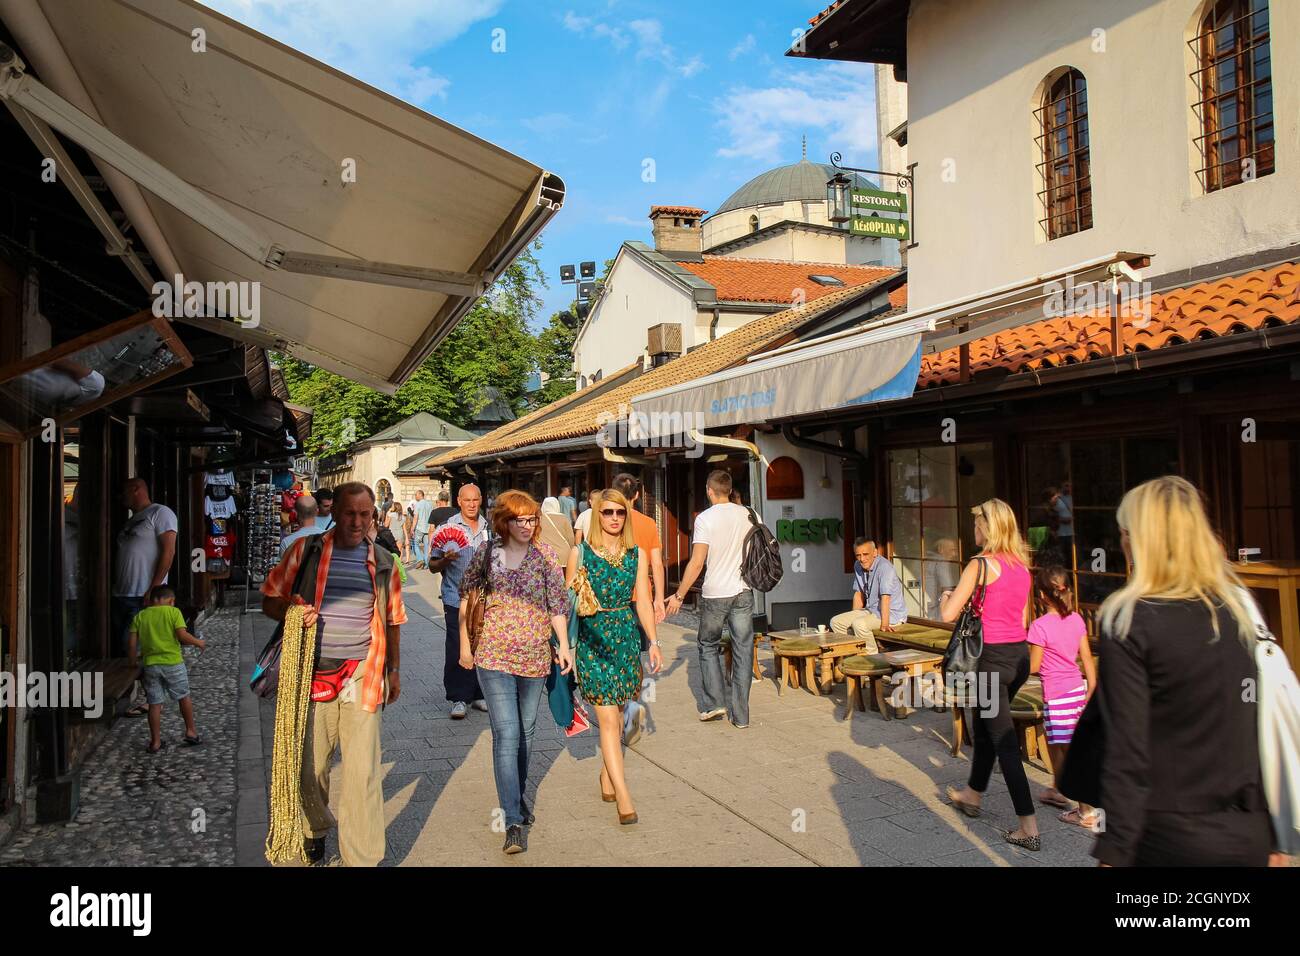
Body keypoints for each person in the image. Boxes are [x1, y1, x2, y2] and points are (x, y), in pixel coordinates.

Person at [1093, 476, 1278, 867]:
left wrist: (1115, 848)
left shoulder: (1129, 619)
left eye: (1125, 532)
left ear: (1141, 540)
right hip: (1245, 834)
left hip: (1169, 835)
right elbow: (1252, 727)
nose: (1122, 542)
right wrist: (1271, 832)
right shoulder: (1235, 611)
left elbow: (1128, 749)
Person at [261, 481, 406, 867]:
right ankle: (315, 829)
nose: (357, 522)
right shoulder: (305, 551)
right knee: (313, 766)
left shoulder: (383, 562)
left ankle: (362, 858)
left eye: (365, 514)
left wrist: (394, 669)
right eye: (349, 513)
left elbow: (393, 620)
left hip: (363, 672)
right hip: (310, 674)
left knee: (363, 774)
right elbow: (269, 599)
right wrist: (291, 610)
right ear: (334, 513)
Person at [458, 491, 572, 854]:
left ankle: (518, 796)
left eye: (531, 519)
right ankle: (511, 819)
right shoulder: (487, 554)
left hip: (535, 657)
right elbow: (467, 597)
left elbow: (557, 605)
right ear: (503, 521)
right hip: (493, 656)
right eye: (518, 519)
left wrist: (565, 646)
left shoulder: (546, 556)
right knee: (506, 734)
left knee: (527, 731)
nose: (526, 526)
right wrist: (464, 646)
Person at [941, 498, 1039, 850]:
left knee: (1004, 742)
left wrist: (946, 597)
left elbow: (949, 615)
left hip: (991, 662)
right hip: (1019, 658)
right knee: (984, 727)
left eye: (977, 523)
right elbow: (1024, 618)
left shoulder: (979, 565)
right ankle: (972, 794)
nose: (974, 529)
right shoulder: (1021, 566)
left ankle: (1028, 827)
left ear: (988, 527)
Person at [566, 489, 662, 824]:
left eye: (620, 512)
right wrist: (563, 647)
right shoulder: (580, 552)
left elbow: (645, 602)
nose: (614, 518)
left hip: (624, 636)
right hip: (593, 640)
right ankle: (624, 795)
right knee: (607, 719)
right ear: (596, 514)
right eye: (607, 512)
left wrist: (653, 641)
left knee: (620, 714)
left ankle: (607, 776)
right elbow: (568, 604)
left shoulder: (637, 554)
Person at [667, 470, 756, 728]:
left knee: (708, 645)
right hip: (744, 590)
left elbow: (697, 562)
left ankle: (715, 703)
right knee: (743, 649)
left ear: (709, 490)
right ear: (729, 489)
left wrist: (679, 594)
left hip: (716, 592)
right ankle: (741, 715)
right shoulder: (748, 514)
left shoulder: (705, 518)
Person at [1027, 565, 1097, 827]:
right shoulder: (1077, 619)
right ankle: (1058, 789)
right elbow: (1087, 658)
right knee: (1058, 745)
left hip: (1056, 695)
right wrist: (1091, 687)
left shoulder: (1039, 626)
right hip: (1076, 690)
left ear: (1043, 595)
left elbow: (1034, 666)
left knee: (1068, 751)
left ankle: (1086, 810)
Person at [113, 478, 178, 717]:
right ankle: (141, 696)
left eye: (124, 493)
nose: (122, 498)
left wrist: (154, 587)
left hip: (143, 594)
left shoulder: (160, 513)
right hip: (122, 592)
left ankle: (150, 699)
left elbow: (168, 551)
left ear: (136, 489)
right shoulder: (132, 520)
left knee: (139, 648)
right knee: (128, 649)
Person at [427, 484, 489, 718]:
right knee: (456, 645)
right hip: (455, 596)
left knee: (481, 646)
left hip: (484, 599)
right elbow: (433, 566)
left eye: (476, 500)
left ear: (481, 500)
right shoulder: (447, 527)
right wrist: (445, 560)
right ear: (459, 501)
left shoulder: (488, 528)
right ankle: (458, 697)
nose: (472, 504)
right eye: (467, 500)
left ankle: (478, 693)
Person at [128, 585, 205, 753]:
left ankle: (155, 742)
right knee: (183, 697)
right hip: (173, 663)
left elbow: (132, 643)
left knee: (154, 703)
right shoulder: (173, 612)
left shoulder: (140, 616)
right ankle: (191, 731)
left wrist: (133, 661)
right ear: (171, 601)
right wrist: (198, 642)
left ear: (152, 599)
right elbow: (182, 636)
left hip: (150, 666)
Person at [830, 537, 907, 654]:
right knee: (836, 622)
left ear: (875, 552)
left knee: (859, 624)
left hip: (890, 613)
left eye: (865, 554)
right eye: (858, 555)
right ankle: (852, 655)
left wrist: (885, 624)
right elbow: (858, 593)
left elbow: (886, 597)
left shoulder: (884, 567)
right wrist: (854, 615)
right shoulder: (857, 565)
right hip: (871, 609)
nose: (862, 559)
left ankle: (872, 660)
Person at [538, 496, 575, 565]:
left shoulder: (539, 519)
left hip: (545, 554)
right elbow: (571, 538)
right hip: (563, 554)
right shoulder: (563, 518)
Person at [410, 489, 434, 569]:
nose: (415, 496)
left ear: (420, 494)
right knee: (426, 546)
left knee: (415, 544)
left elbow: (415, 518)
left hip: (419, 528)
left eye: (416, 495)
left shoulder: (418, 504)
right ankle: (426, 564)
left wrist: (412, 529)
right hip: (428, 528)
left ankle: (420, 559)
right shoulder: (430, 504)